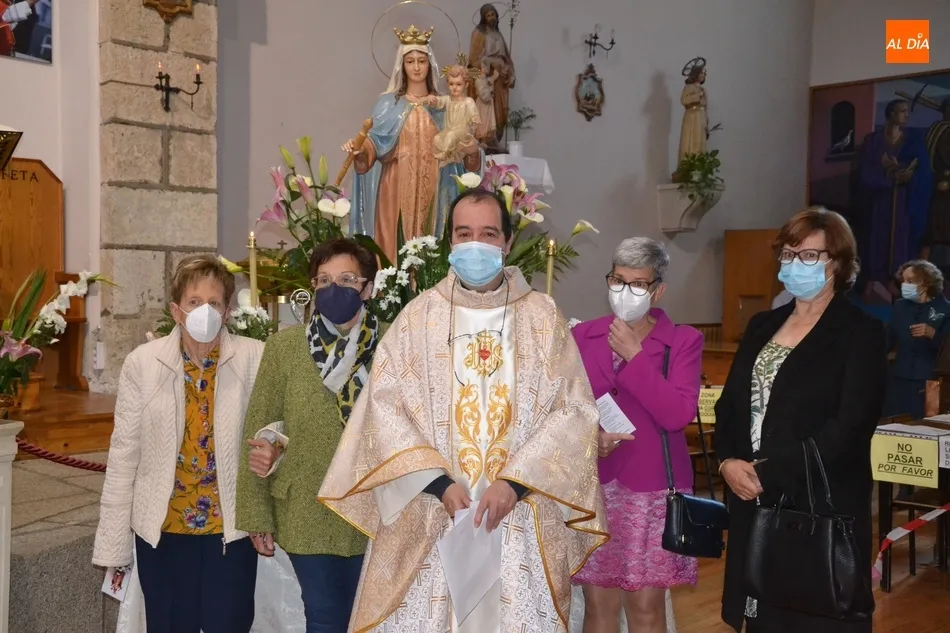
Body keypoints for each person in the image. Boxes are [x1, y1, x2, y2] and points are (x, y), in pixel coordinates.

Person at [317, 188, 607, 632]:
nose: (476, 243)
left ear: (507, 243)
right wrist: (438, 483)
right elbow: (384, 409)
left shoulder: (542, 317)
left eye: (488, 233)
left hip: (518, 516)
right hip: (435, 512)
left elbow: (573, 412)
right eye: (464, 233)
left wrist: (514, 484)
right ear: (449, 242)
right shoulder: (419, 318)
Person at [715, 207, 887, 633]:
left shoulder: (859, 331)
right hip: (752, 499)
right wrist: (727, 462)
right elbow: (731, 406)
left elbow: (849, 427)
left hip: (817, 506)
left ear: (838, 263)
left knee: (815, 619)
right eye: (789, 255)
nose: (795, 265)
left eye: (810, 256)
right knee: (762, 619)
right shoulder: (762, 325)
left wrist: (768, 473)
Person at [92, 254, 265, 633]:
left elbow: (276, 430)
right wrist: (113, 545)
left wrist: (274, 452)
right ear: (176, 309)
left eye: (214, 302)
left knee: (230, 624)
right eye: (194, 302)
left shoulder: (255, 358)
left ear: (228, 310)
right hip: (164, 532)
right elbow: (124, 456)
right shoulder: (143, 364)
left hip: (229, 532)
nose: (205, 310)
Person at [235, 238, 385, 633]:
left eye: (347, 279)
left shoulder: (392, 343)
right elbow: (258, 430)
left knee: (370, 619)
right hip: (305, 506)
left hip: (375, 506)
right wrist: (256, 515)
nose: (333, 289)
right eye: (323, 280)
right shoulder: (285, 346)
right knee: (324, 617)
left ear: (367, 288)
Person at [571, 237, 702, 633]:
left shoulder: (683, 341)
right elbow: (565, 407)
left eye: (638, 284)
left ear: (657, 289)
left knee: (646, 610)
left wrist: (634, 355)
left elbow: (677, 413)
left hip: (652, 492)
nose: (625, 292)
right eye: (618, 279)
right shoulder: (582, 337)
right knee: (599, 608)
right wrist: (589, 435)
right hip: (596, 486)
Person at [344, 25, 482, 263]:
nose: (417, 67)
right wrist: (359, 150)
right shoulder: (388, 104)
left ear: (430, 65)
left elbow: (466, 162)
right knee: (394, 255)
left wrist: (472, 152)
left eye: (422, 61)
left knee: (433, 252)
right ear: (402, 65)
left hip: (438, 190)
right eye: (410, 61)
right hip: (396, 187)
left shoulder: (443, 105)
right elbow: (374, 146)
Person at [858, 99, 931, 299]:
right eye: (902, 111)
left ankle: (898, 282)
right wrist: (890, 177)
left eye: (908, 111)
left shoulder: (913, 141)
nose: (906, 115)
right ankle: (876, 280)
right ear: (891, 114)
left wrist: (909, 176)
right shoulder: (873, 141)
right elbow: (865, 173)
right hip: (880, 202)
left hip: (904, 202)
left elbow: (923, 171)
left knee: (902, 238)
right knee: (877, 238)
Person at [884, 259, 950, 420]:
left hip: (929, 382)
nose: (904, 285)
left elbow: (947, 351)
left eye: (910, 281)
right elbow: (887, 340)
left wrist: (933, 335)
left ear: (926, 283)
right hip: (899, 380)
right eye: (903, 281)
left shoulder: (946, 309)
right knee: (892, 423)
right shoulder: (900, 307)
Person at [469, 3, 515, 144]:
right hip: (487, 80)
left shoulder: (499, 35)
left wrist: (511, 72)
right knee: (487, 112)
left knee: (500, 112)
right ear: (483, 18)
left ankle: (496, 140)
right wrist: (488, 63)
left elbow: (507, 59)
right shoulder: (479, 33)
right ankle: (486, 140)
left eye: (493, 14)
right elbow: (473, 61)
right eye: (488, 15)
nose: (491, 17)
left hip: (501, 79)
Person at [427, 64, 480, 167]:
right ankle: (450, 156)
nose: (454, 87)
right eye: (451, 84)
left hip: (463, 132)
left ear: (466, 85)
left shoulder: (468, 101)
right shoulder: (447, 100)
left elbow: (473, 113)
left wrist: (474, 118)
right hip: (449, 131)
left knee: (451, 135)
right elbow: (438, 102)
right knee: (437, 138)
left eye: (458, 84)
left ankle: (445, 154)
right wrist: (431, 99)